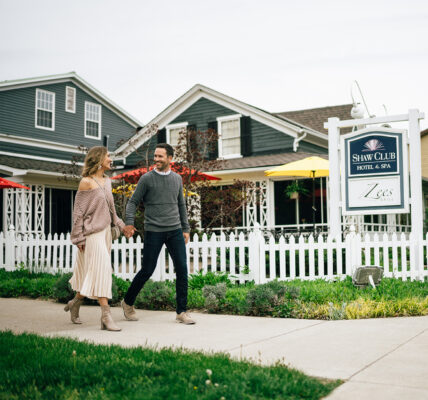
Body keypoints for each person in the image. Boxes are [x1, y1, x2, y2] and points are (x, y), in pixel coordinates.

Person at [121, 143, 195, 324]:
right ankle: (127, 302)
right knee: (147, 269)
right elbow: (132, 202)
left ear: (170, 158)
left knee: (183, 269)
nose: (156, 160)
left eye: (160, 156)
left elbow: (180, 205)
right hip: (154, 230)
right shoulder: (146, 179)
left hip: (175, 229)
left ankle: (181, 311)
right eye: (155, 156)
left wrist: (185, 228)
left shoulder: (177, 179)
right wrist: (129, 222)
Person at [67, 146, 125, 331]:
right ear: (99, 159)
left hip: (106, 232)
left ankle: (75, 302)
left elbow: (111, 209)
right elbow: (78, 214)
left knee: (92, 273)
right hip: (92, 235)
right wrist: (78, 238)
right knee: (103, 270)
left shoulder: (107, 181)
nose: (111, 159)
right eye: (108, 156)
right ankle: (106, 317)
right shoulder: (86, 182)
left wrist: (123, 226)